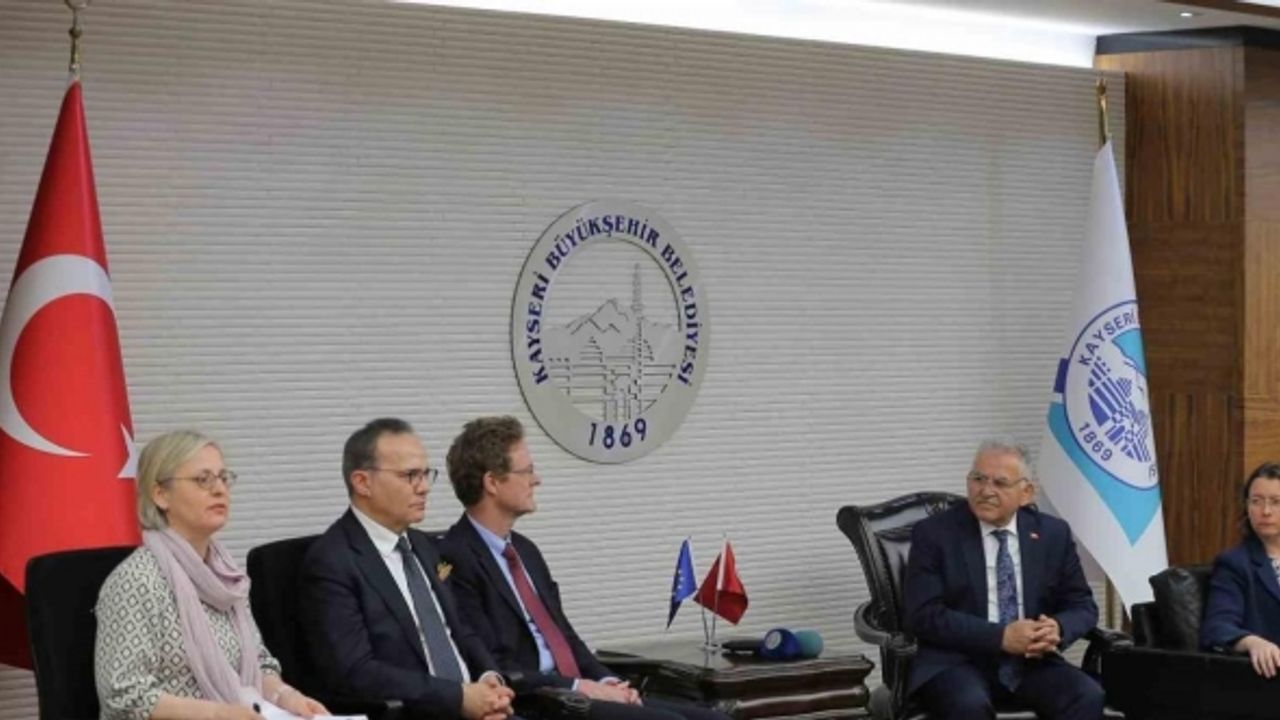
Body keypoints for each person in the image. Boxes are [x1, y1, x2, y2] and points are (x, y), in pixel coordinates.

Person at [438, 415, 729, 720]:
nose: (537, 480)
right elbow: (492, 666)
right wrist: (581, 687)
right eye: (527, 471)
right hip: (537, 702)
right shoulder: (455, 558)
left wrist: (609, 682)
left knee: (715, 719)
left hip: (581, 694)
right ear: (492, 483)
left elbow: (565, 637)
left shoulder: (525, 551)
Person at [94, 430, 327, 720]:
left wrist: (287, 697)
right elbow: (123, 695)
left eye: (223, 478)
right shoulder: (136, 581)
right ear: (161, 495)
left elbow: (258, 661)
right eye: (203, 480)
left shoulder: (225, 575)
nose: (219, 490)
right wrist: (217, 714)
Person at [299, 417, 515, 720]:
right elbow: (355, 671)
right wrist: (458, 698)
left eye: (426, 474)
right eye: (410, 475)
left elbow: (458, 628)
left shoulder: (424, 546)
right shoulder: (333, 562)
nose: (424, 488)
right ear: (362, 482)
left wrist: (488, 679)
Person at [902, 439, 1104, 720]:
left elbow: (1082, 605)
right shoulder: (935, 534)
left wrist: (1057, 627)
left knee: (1086, 695)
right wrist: (1001, 637)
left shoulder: (1052, 534)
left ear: (1026, 493)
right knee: (969, 705)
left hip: (1030, 663)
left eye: (1000, 483)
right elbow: (924, 615)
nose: (986, 491)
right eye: (978, 479)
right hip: (957, 661)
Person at [1201, 461, 1280, 677]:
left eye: (1276, 502)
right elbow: (1217, 627)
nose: (1265, 511)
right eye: (1256, 501)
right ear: (1247, 507)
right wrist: (1252, 642)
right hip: (1267, 678)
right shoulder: (1234, 564)